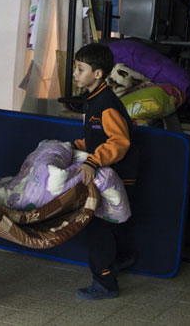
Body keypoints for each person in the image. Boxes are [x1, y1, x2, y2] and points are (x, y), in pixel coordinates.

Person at [71, 43, 139, 301]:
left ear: (98, 74)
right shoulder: (93, 100)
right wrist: (73, 148)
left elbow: (119, 142)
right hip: (109, 172)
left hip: (119, 174)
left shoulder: (106, 103)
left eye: (80, 69)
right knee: (108, 229)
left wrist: (92, 161)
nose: (75, 73)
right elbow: (96, 138)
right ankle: (121, 259)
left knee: (99, 229)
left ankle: (105, 284)